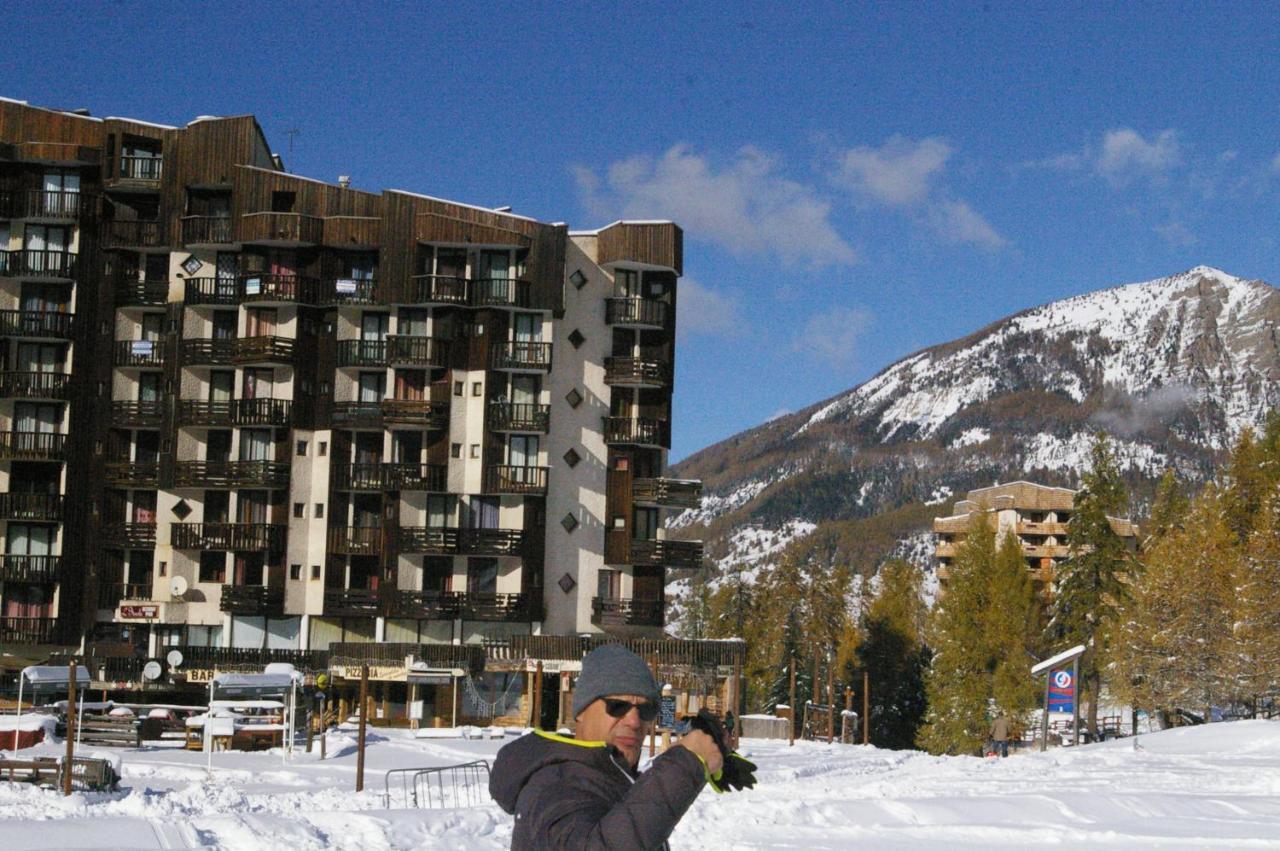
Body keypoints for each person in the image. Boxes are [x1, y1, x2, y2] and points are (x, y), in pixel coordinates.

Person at [490, 644, 725, 849]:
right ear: (581, 711)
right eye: (617, 706)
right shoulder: (557, 784)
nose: (634, 721)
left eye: (645, 710)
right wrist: (683, 767)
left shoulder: (603, 776)